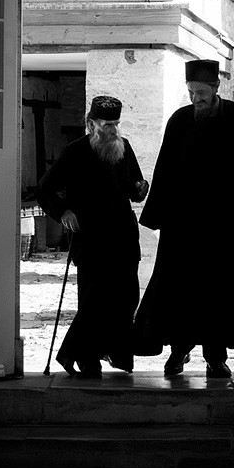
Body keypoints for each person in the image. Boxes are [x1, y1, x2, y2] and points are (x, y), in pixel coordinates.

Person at [133, 59, 234, 378]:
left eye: (200, 92)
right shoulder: (180, 120)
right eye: (190, 92)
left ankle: (215, 356)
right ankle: (178, 352)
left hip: (223, 228)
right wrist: (158, 214)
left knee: (219, 293)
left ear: (215, 88)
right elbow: (165, 169)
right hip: (182, 227)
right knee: (179, 291)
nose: (195, 98)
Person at [37, 95, 149, 378]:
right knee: (95, 299)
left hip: (122, 234)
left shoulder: (124, 147)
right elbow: (46, 188)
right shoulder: (76, 151)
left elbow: (133, 186)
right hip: (91, 237)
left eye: (116, 124)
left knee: (125, 299)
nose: (112, 130)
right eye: (106, 125)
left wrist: (140, 188)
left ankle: (115, 351)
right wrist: (63, 212)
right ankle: (82, 356)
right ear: (91, 124)